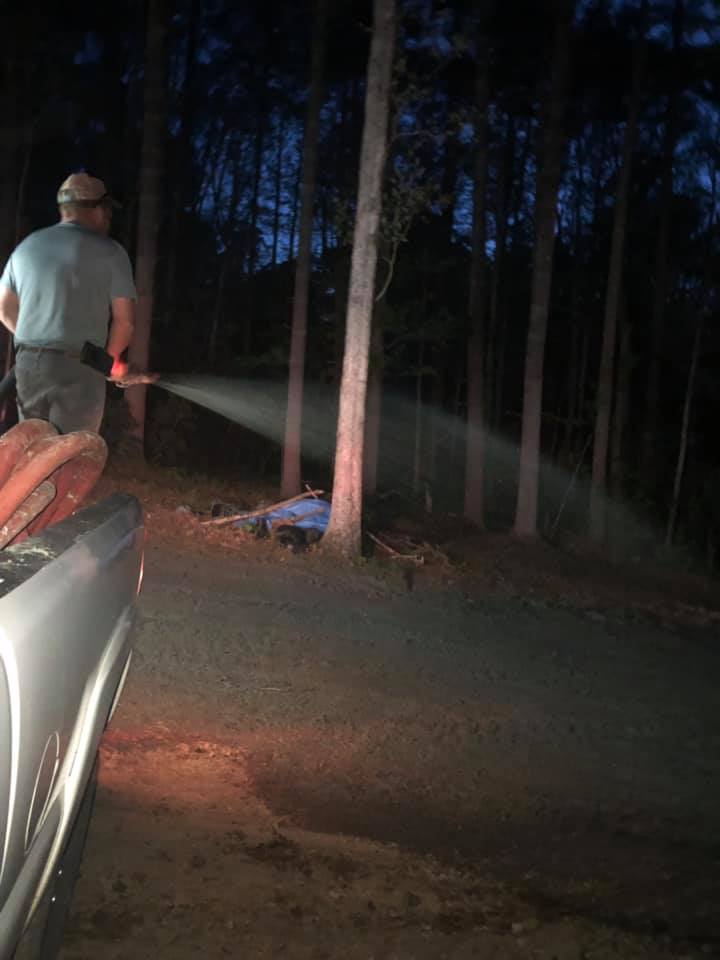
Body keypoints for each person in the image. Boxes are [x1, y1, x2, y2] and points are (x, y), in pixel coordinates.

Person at [0, 172, 136, 434]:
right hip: (80, 369)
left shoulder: (27, 247)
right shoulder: (111, 251)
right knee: (72, 456)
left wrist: (39, 340)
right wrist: (110, 360)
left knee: (33, 451)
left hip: (29, 366)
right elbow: (125, 321)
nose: (109, 216)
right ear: (96, 209)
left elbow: (4, 308)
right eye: (107, 209)